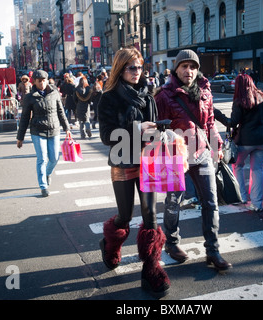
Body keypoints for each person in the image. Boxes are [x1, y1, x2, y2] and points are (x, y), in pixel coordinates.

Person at [98, 47, 170, 298]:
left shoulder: (147, 95)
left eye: (140, 67)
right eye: (132, 67)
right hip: (122, 162)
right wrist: (138, 129)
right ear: (121, 68)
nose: (137, 72)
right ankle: (110, 243)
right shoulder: (109, 97)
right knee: (125, 216)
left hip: (147, 161)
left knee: (151, 215)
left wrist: (160, 132)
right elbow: (107, 136)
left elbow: (153, 127)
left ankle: (151, 269)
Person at [154, 49, 231, 271]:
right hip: (176, 157)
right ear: (176, 69)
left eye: (193, 66)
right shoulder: (164, 95)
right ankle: (172, 242)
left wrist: (216, 145)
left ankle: (213, 250)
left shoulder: (205, 91)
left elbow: (209, 123)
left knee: (210, 201)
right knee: (173, 202)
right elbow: (158, 127)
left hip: (202, 154)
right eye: (184, 66)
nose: (189, 70)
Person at [216, 74, 263, 212]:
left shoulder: (239, 100)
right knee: (257, 170)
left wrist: (218, 114)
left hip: (245, 141)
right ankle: (257, 203)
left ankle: (241, 196)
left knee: (237, 166)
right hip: (262, 140)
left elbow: (232, 122)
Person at [16, 70, 71, 197]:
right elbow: (24, 117)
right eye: (39, 81)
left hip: (54, 129)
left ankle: (47, 173)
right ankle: (43, 186)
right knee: (42, 158)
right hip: (37, 130)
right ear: (34, 81)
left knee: (54, 158)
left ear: (47, 80)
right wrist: (20, 138)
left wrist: (67, 128)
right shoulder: (30, 97)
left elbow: (61, 112)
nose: (42, 83)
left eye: (44, 80)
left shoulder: (54, 93)